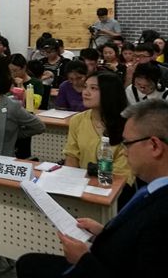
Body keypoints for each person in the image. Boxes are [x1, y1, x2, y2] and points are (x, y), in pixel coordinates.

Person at [16, 99, 168, 278]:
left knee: (30, 266)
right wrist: (104, 233)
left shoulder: (161, 213)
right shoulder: (153, 190)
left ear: (154, 146)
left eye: (127, 143)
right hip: (106, 257)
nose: (124, 151)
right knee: (29, 263)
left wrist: (83, 260)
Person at [63, 71, 134, 189]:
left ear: (109, 93)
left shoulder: (128, 125)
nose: (86, 92)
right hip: (82, 185)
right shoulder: (77, 120)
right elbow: (72, 155)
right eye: (85, 87)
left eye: (93, 88)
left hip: (117, 188)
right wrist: (71, 184)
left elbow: (123, 173)